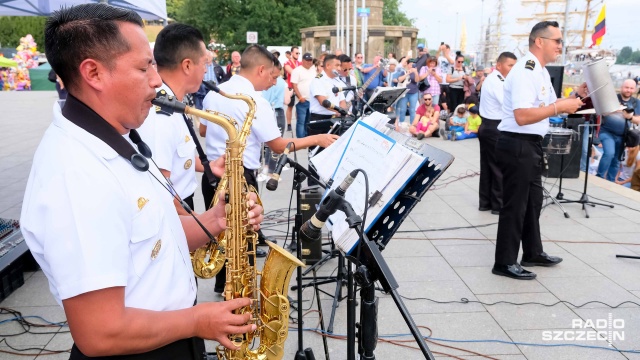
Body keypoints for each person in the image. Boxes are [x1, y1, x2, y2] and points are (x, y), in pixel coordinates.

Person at [21, 4, 264, 358]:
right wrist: (197, 321)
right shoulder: (76, 174)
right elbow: (100, 332)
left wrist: (219, 220)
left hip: (168, 338)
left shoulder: (115, 138)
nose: (156, 79)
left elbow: (153, 238)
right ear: (93, 73)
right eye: (144, 66)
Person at [201, 46, 338, 293]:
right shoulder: (255, 100)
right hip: (239, 174)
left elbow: (203, 130)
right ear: (261, 69)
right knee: (244, 241)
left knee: (218, 233)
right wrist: (317, 139)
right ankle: (242, 296)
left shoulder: (214, 93)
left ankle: (223, 286)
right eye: (273, 77)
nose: (273, 82)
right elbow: (277, 145)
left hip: (212, 172)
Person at [492, 21, 585, 280]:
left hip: (529, 144)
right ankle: (504, 261)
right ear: (539, 41)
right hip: (517, 143)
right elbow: (522, 115)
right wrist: (560, 108)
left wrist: (572, 97)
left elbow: (548, 103)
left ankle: (532, 252)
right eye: (557, 41)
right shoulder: (525, 69)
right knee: (515, 205)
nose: (560, 46)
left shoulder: (541, 71)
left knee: (532, 202)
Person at [137, 23, 211, 215]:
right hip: (176, 211)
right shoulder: (161, 116)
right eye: (204, 63)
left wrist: (209, 165)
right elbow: (162, 187)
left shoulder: (170, 100)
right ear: (187, 65)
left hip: (181, 207)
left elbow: (172, 156)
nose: (206, 70)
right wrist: (203, 225)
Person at [478, 51, 517, 215]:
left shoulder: (494, 79)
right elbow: (509, 105)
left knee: (488, 167)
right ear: (499, 65)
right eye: (510, 65)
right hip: (494, 127)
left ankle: (485, 202)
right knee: (499, 167)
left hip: (488, 126)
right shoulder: (498, 82)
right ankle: (498, 205)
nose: (513, 69)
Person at [596, 79, 640, 181]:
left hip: (623, 135)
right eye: (626, 87)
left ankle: (610, 181)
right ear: (621, 87)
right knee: (609, 153)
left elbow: (638, 120)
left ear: (635, 89)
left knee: (616, 160)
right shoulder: (612, 98)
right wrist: (615, 110)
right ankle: (600, 177)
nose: (628, 90)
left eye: (631, 88)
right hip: (607, 132)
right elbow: (601, 112)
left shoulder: (636, 102)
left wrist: (630, 117)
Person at [261, 60, 287, 179]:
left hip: (265, 110)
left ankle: (265, 168)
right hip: (276, 111)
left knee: (266, 143)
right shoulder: (282, 83)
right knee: (276, 143)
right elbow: (286, 100)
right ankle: (271, 171)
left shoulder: (263, 83)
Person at [309, 54, 349, 123]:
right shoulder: (318, 80)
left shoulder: (337, 81)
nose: (339, 69)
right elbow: (323, 102)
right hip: (320, 118)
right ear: (328, 66)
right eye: (337, 65)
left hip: (336, 118)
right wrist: (339, 111)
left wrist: (343, 111)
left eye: (340, 66)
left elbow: (342, 101)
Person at [291, 52, 317, 138]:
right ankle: (300, 139)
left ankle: (306, 137)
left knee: (308, 121)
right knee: (301, 121)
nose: (309, 62)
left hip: (312, 100)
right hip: (302, 100)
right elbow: (294, 85)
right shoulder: (297, 70)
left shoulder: (313, 71)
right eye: (307, 60)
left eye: (310, 60)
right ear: (302, 61)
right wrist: (300, 97)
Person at [284, 46, 301, 132]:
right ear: (291, 53)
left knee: (299, 107)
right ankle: (289, 124)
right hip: (291, 87)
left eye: (299, 53)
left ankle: (299, 122)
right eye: (296, 53)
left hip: (299, 88)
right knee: (290, 107)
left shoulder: (300, 63)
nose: (298, 55)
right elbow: (292, 73)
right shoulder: (287, 63)